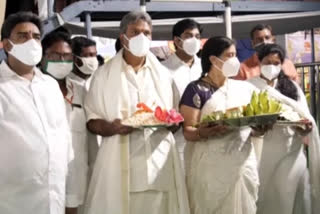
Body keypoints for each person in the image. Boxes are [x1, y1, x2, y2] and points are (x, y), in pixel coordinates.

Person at [84, 11, 189, 214]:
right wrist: (111, 127)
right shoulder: (103, 75)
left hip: (159, 163)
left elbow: (175, 118)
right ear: (123, 36)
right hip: (120, 163)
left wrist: (171, 122)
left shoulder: (163, 75)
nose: (142, 37)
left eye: (147, 33)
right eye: (136, 32)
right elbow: (91, 120)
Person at [0, 12, 73, 214]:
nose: (31, 41)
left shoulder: (49, 85)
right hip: (12, 202)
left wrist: (70, 196)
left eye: (36, 36)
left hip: (53, 197)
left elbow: (64, 139)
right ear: (6, 45)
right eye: (22, 36)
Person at [179, 36, 259, 214]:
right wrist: (204, 132)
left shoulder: (242, 89)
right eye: (229, 55)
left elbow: (251, 123)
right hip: (210, 167)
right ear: (214, 60)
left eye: (235, 54)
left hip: (242, 164)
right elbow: (188, 131)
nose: (235, 60)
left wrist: (260, 129)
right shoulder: (196, 90)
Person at [248, 43, 320, 214]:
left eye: (276, 63)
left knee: (292, 194)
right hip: (263, 153)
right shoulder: (249, 86)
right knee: (269, 197)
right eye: (267, 62)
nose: (271, 67)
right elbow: (246, 121)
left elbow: (304, 118)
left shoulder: (291, 87)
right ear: (259, 62)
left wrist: (303, 127)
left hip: (291, 151)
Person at [41, 30, 88, 214]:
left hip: (77, 176)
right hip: (45, 180)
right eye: (55, 55)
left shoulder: (80, 91)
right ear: (42, 56)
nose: (62, 61)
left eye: (67, 56)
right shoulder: (33, 90)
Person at [162, 18, 202, 172]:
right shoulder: (163, 70)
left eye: (197, 37)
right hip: (178, 138)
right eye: (188, 36)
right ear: (177, 41)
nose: (194, 40)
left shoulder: (205, 68)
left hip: (207, 136)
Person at [70, 36, 101, 185]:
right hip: (76, 152)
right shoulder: (67, 84)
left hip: (100, 150)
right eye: (87, 55)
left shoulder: (100, 80)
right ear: (75, 59)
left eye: (94, 55)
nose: (92, 59)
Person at [234, 24, 300, 83]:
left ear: (273, 40)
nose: (264, 42)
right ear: (253, 43)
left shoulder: (287, 65)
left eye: (267, 38)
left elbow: (296, 90)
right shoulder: (243, 68)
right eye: (259, 39)